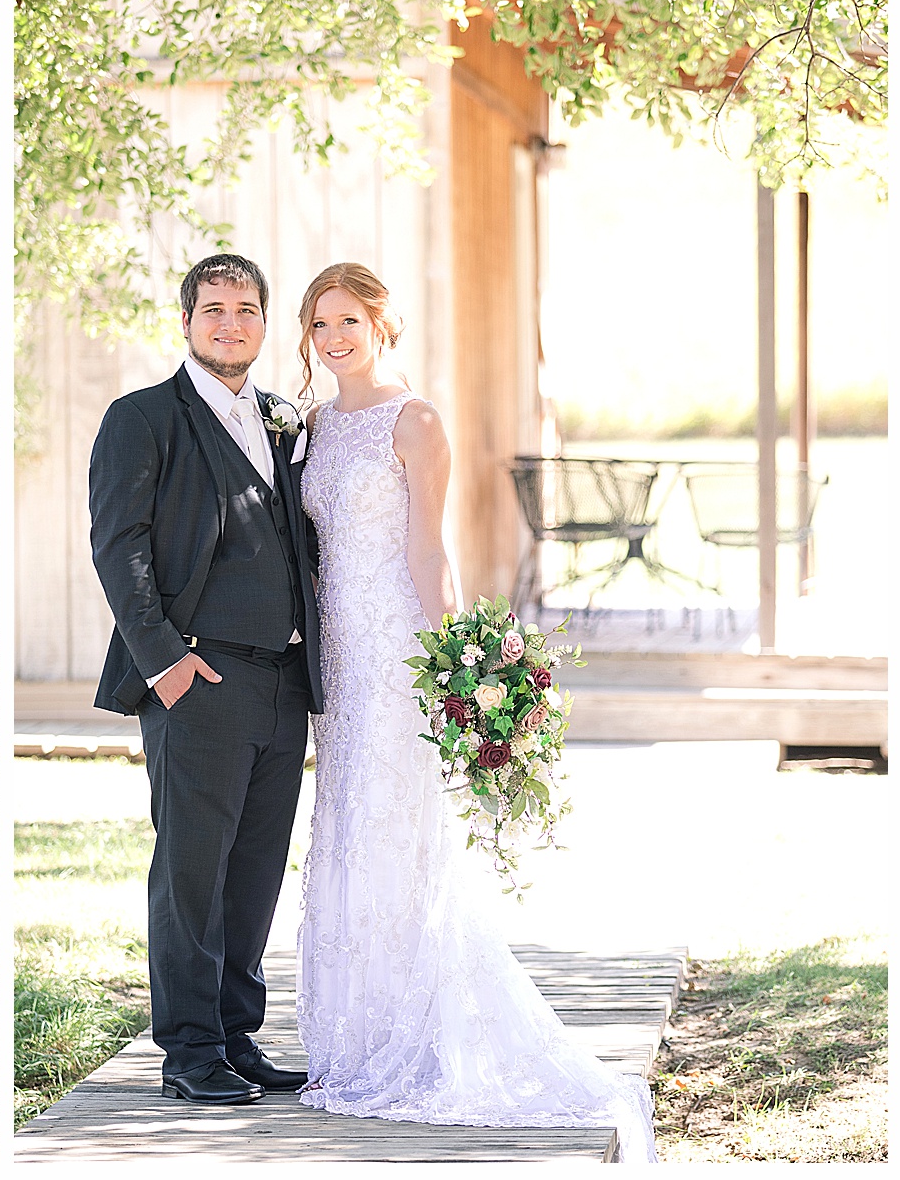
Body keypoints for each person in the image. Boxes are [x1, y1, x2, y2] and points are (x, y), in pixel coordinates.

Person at [291, 262, 658, 1162]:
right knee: (345, 822)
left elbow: (428, 547)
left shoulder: (415, 421)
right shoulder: (312, 424)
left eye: (349, 320)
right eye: (318, 323)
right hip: (333, 652)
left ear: (383, 324)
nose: (333, 337)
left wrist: (452, 658)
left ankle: (409, 1031)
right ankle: (352, 1035)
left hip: (392, 647)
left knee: (395, 826)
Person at [87, 254, 325, 1105]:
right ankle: (188, 1051)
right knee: (192, 870)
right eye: (214, 309)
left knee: (255, 870)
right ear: (184, 321)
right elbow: (122, 549)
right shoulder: (141, 418)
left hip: (283, 682)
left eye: (247, 309)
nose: (231, 323)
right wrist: (168, 664)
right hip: (199, 677)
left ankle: (235, 1035)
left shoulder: (282, 419)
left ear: (264, 324)